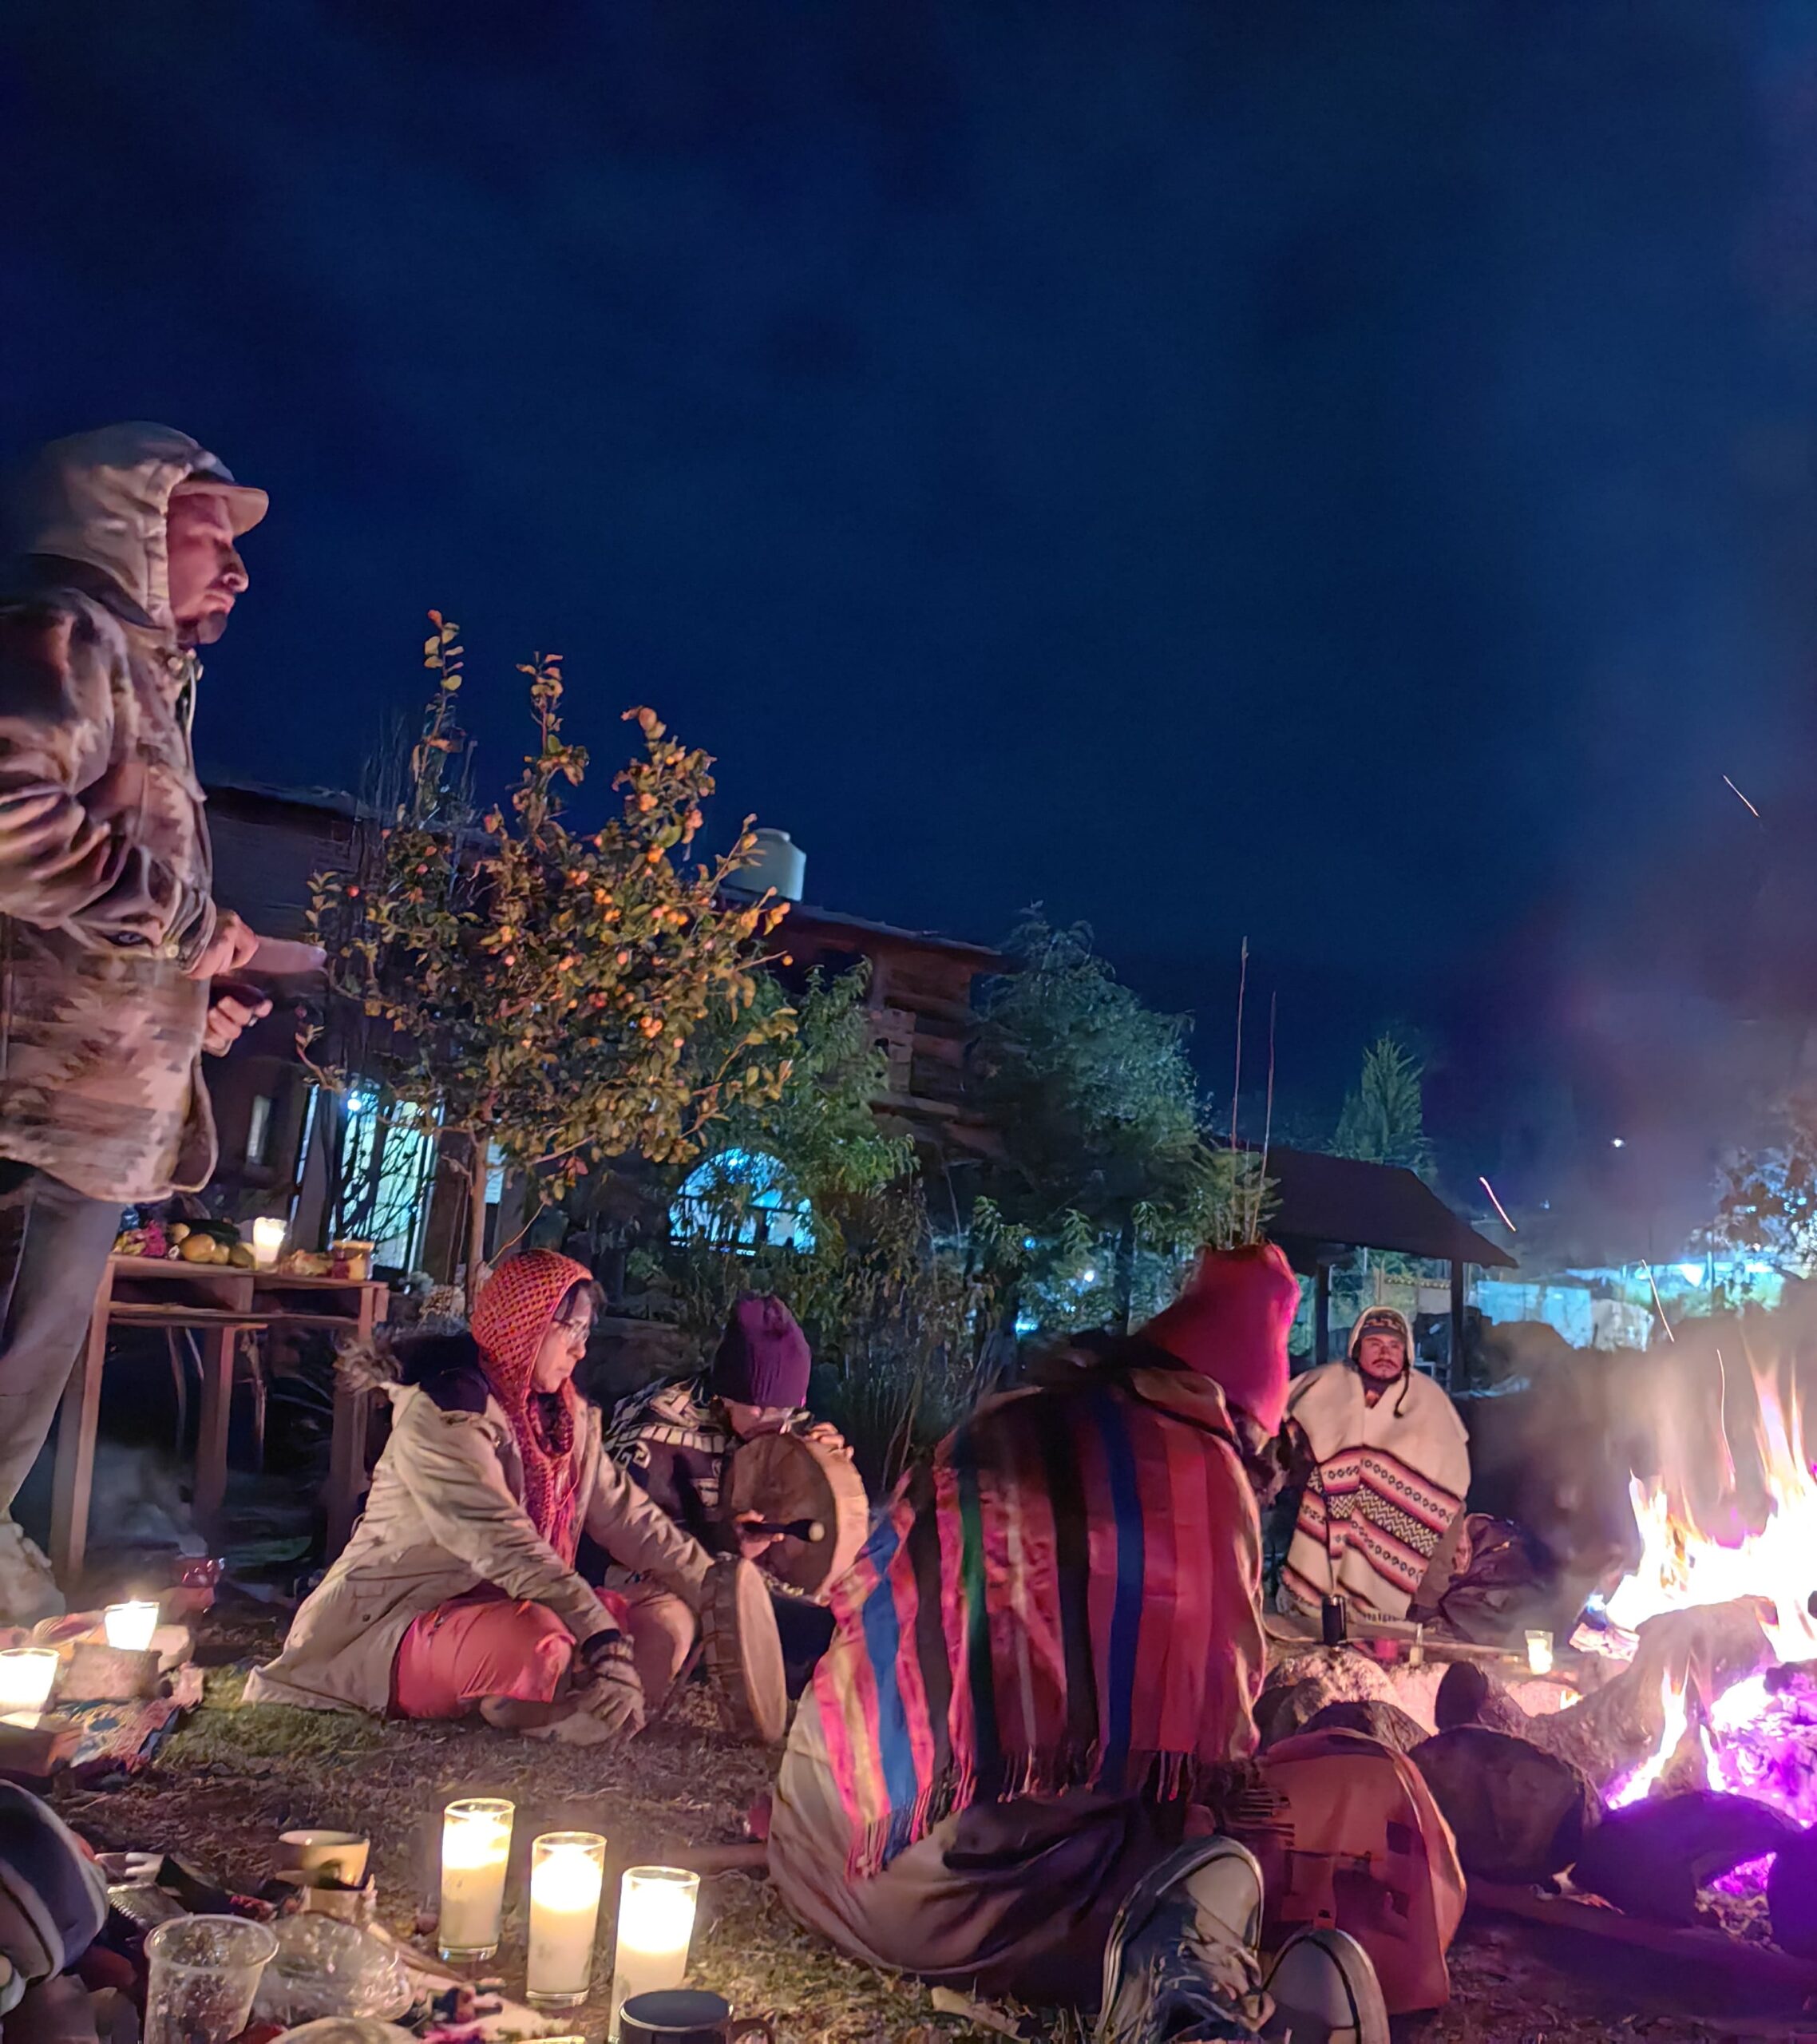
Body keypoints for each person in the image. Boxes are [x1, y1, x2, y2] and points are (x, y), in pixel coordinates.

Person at [767, 1242, 1399, 2040]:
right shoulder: (1199, 1473)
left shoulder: (1006, 1419)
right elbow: (1215, 1741)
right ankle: (1184, 1998)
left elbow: (867, 1593)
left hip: (819, 1843)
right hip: (951, 1907)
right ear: (1247, 1414)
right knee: (1220, 1859)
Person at [0, 424, 282, 1623]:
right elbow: (11, 821)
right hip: (32, 1108)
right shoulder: (64, 635)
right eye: (209, 532)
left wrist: (188, 998)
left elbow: (116, 914)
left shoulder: (143, 677)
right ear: (126, 518)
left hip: (84, 1117)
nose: (239, 569)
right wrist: (174, 920)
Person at [247, 1250, 742, 1744]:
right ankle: (547, 1702)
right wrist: (601, 1634)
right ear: (524, 1323)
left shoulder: (564, 1418)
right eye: (569, 1329)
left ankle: (571, 1698)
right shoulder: (445, 1416)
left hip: (524, 1602)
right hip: (410, 1616)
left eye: (585, 1333)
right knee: (540, 1642)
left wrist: (718, 1593)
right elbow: (501, 1541)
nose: (580, 1351)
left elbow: (628, 1518)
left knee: (666, 1618)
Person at [607, 1293, 857, 1686]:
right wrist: (726, 1544)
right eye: (758, 1407)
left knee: (853, 1617)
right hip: (653, 1581)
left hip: (740, 1583)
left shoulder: (786, 1423)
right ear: (725, 1392)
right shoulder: (657, 1427)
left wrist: (826, 1467)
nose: (773, 1420)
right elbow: (626, 1538)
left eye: (786, 1409)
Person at [1280, 1305, 1471, 1625]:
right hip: (1328, 1510)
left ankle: (1409, 1607)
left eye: (1395, 1346)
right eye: (1375, 1345)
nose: (1386, 1353)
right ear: (1357, 1348)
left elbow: (1448, 1480)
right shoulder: (1328, 1383)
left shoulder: (1429, 1400)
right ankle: (1321, 1600)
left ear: (1407, 1353)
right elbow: (1283, 1434)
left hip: (1403, 1522)